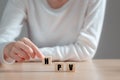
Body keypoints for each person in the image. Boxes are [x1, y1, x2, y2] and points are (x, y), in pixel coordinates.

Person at [0, 0, 106, 64]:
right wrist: (8, 49)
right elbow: (2, 41)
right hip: (35, 72)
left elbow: (87, 49)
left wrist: (32, 56)